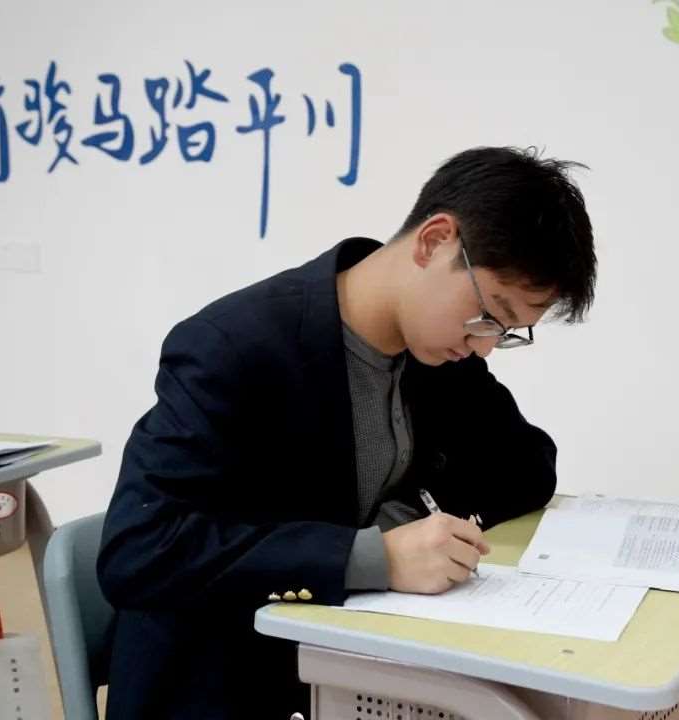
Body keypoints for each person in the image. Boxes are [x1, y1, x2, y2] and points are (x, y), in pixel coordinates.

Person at [97, 145, 598, 718]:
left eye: (506, 331)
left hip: (352, 662)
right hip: (225, 681)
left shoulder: (438, 351)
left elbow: (528, 465)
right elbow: (140, 550)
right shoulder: (235, 346)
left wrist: (408, 520)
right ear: (434, 241)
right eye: (490, 314)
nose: (484, 345)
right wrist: (369, 556)